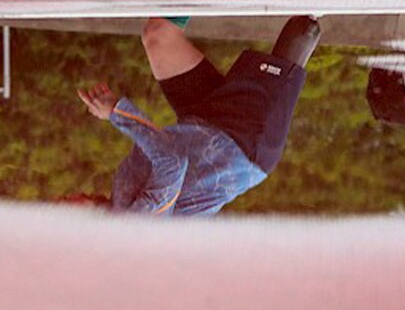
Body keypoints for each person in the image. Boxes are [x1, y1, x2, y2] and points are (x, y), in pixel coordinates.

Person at [72, 15, 321, 214]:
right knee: (303, 27)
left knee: (159, 34)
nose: (67, 196)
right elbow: (173, 161)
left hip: (199, 126)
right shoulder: (135, 227)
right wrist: (117, 111)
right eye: (64, 205)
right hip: (239, 144)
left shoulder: (119, 205)